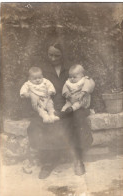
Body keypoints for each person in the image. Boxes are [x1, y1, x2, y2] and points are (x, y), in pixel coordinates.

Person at [26, 43, 95, 179]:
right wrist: (36, 97)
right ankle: (49, 161)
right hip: (49, 104)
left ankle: (77, 159)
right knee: (41, 123)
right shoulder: (42, 70)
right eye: (50, 55)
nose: (53, 58)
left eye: (56, 55)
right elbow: (31, 86)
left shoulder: (72, 69)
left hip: (71, 103)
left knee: (77, 120)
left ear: (63, 54)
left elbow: (88, 81)